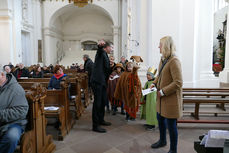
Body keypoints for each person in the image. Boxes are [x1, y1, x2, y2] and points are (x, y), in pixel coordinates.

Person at [150, 36, 183, 153]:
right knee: (160, 119)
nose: (158, 46)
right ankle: (162, 140)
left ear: (166, 46)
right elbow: (159, 75)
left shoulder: (174, 61)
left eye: (160, 44)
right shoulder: (163, 59)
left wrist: (163, 91)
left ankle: (173, 150)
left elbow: (178, 82)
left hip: (170, 99)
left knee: (171, 125)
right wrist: (154, 83)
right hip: (161, 100)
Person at [0, 69, 29, 153]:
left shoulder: (16, 89)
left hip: (14, 123)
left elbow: (21, 110)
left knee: (12, 137)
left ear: (2, 75)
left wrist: (1, 115)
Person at [90, 40, 112, 133]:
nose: (112, 49)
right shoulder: (101, 53)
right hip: (97, 82)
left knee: (103, 101)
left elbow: (105, 69)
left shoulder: (106, 55)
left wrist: (111, 68)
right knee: (97, 103)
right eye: (111, 47)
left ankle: (101, 120)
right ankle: (95, 125)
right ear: (106, 47)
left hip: (102, 82)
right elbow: (98, 51)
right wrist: (99, 46)